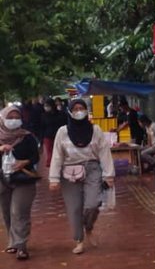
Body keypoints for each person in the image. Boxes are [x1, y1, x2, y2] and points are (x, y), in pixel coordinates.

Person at [49, 99, 114, 255]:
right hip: (70, 172)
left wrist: (109, 175)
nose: (79, 111)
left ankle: (88, 227)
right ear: (70, 112)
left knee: (93, 203)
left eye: (82, 108)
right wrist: (54, 179)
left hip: (92, 169)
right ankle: (79, 240)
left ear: (86, 110)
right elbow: (57, 156)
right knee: (74, 208)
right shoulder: (62, 132)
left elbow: (104, 152)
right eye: (75, 109)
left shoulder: (95, 130)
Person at [1, 106, 41, 260]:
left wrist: (24, 162)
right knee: (6, 212)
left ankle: (21, 245)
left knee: (19, 211)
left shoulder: (27, 136)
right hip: (2, 179)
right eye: (9, 117)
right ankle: (12, 242)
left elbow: (35, 157)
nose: (13, 120)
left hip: (23, 180)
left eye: (16, 117)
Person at [40, 98, 63, 167]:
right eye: (45, 106)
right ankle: (51, 165)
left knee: (59, 151)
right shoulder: (44, 116)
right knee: (49, 152)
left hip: (59, 136)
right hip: (48, 137)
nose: (46, 107)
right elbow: (42, 127)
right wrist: (41, 139)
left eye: (47, 106)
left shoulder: (60, 114)